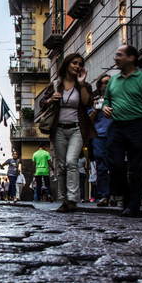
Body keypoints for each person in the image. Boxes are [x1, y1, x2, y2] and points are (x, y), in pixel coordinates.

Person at [103, 44, 142, 218]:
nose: (115, 58)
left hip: (137, 125)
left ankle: (134, 205)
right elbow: (107, 100)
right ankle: (127, 195)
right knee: (115, 164)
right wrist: (106, 107)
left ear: (131, 58)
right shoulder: (113, 80)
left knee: (137, 167)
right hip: (117, 126)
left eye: (119, 55)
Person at [39, 53, 96, 212]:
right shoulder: (56, 84)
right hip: (59, 130)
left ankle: (72, 199)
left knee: (72, 162)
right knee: (62, 165)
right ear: (67, 64)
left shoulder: (83, 86)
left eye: (80, 64)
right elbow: (42, 103)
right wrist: (51, 100)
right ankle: (64, 200)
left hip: (77, 129)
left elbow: (86, 103)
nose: (77, 66)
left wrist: (82, 83)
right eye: (74, 63)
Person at [89, 75, 112, 206]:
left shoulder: (118, 100)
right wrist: (94, 109)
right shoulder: (96, 100)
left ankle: (115, 194)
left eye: (110, 82)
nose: (108, 85)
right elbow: (90, 121)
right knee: (101, 166)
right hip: (99, 136)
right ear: (100, 86)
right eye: (105, 83)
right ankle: (104, 195)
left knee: (116, 166)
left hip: (115, 136)